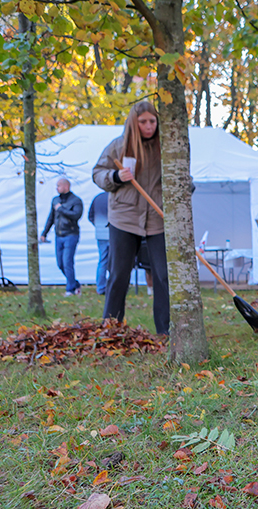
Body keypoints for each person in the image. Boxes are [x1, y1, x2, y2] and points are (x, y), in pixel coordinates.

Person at [92, 100, 170, 335]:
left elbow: (182, 177)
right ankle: (111, 329)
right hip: (124, 219)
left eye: (152, 121)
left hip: (157, 219)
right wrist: (116, 176)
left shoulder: (165, 147)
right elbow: (98, 173)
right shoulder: (118, 146)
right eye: (143, 122)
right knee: (118, 275)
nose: (148, 126)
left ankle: (165, 331)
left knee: (162, 275)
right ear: (134, 123)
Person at [40, 178, 83, 296]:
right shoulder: (56, 200)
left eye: (58, 185)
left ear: (66, 186)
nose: (56, 188)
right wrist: (44, 233)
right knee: (60, 263)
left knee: (67, 262)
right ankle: (75, 284)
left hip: (71, 234)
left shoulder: (76, 201)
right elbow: (51, 217)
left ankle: (70, 289)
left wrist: (61, 209)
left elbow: (76, 215)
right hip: (59, 235)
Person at [88, 191, 109, 295]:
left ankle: (101, 287)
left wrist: (98, 226)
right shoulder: (115, 197)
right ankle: (114, 286)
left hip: (100, 233)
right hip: (115, 233)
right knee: (117, 261)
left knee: (102, 261)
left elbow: (90, 216)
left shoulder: (97, 198)